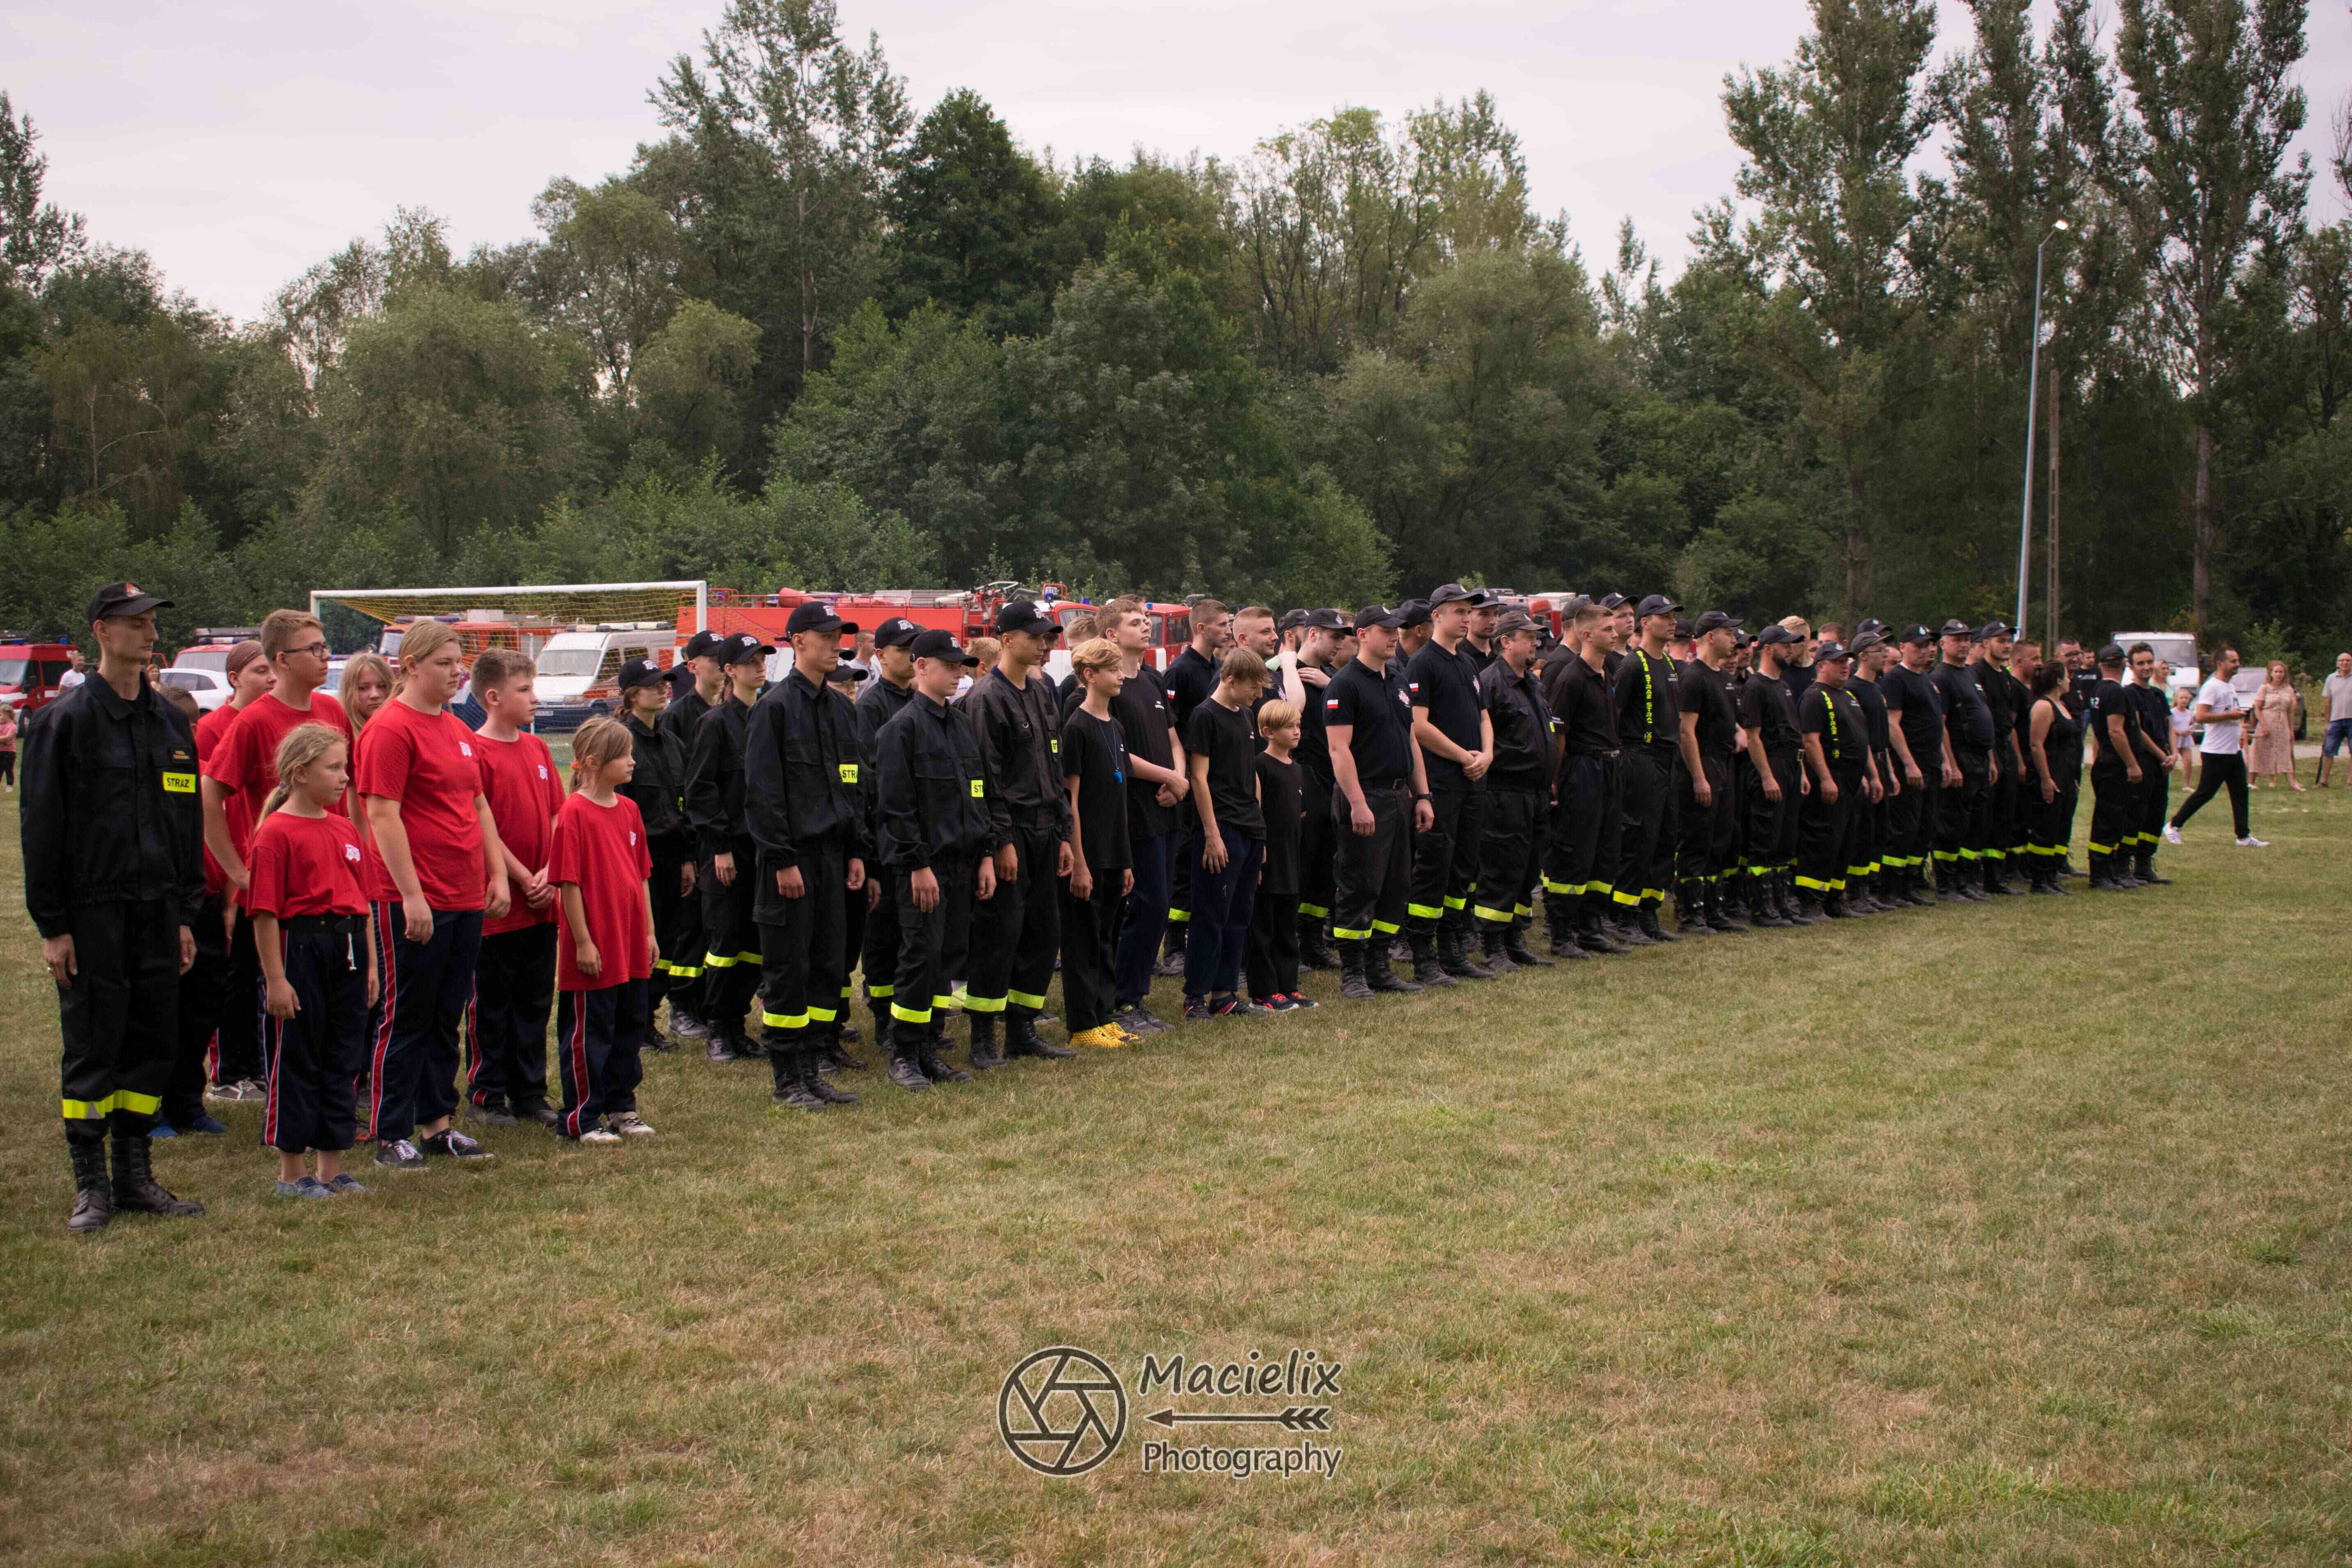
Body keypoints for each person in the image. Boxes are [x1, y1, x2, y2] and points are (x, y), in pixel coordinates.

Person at [24, 582, 207, 1232]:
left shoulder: (170, 723)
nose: (150, 633)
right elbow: (41, 827)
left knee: (151, 1040)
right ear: (102, 631)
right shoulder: (66, 721)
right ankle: (91, 1184)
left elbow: (187, 823)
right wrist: (54, 926)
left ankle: (134, 1175)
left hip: (158, 910)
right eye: (135, 622)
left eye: (153, 621)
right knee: (93, 1043)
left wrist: (184, 914)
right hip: (93, 909)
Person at [355, 619, 511, 1168]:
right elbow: (382, 813)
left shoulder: (456, 728)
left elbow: (477, 804)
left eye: (458, 663)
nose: (456, 673)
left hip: (463, 895)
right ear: (410, 666)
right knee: (407, 1015)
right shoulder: (390, 729)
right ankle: (390, 1131)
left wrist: (496, 873)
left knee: (446, 1013)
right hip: (414, 896)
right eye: (444, 663)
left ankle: (437, 1124)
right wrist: (411, 894)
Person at [745, 601, 869, 1111]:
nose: (836, 645)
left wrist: (856, 849)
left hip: (833, 856)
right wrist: (781, 860)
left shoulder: (841, 709)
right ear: (798, 642)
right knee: (787, 968)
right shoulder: (774, 708)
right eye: (826, 636)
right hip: (791, 859)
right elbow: (763, 792)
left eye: (839, 636)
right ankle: (786, 1078)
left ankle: (813, 1066)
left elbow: (853, 783)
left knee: (826, 965)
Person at [248, 723, 376, 1196]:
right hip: (301, 948)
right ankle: (291, 1172)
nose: (345, 777)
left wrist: (371, 967)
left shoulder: (344, 828)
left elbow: (363, 904)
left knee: (342, 1056)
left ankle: (330, 1167)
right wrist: (276, 979)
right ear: (300, 773)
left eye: (345, 767)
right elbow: (264, 913)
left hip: (348, 951)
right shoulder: (276, 833)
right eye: (334, 768)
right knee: (299, 1057)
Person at [874, 629, 998, 1089]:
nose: (957, 674)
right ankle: (904, 1053)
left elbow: (978, 793)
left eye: (960, 666)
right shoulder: (901, 729)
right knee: (920, 958)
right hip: (924, 867)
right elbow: (895, 807)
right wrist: (917, 865)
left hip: (963, 863)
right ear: (921, 666)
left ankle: (930, 1047)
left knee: (948, 959)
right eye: (948, 665)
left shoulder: (960, 725)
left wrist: (986, 855)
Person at [960, 601, 1077, 1064]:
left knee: (1041, 932)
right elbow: (984, 778)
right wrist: (1001, 841)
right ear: (1007, 640)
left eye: (1047, 636)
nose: (1044, 644)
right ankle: (982, 1035)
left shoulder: (1042, 692)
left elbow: (1054, 767)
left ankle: (1022, 1029)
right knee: (999, 933)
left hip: (1046, 830)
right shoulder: (986, 698)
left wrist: (1064, 833)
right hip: (1012, 831)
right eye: (1034, 636)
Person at [463, 648, 565, 1129]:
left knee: (535, 999)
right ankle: (487, 1093)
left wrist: (549, 871)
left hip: (542, 902)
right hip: (500, 905)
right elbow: (482, 828)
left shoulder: (538, 749)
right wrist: (523, 877)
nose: (534, 698)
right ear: (493, 697)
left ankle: (530, 1092)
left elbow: (556, 815)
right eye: (524, 690)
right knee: (492, 1002)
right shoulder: (474, 752)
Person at [549, 717, 659, 1141]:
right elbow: (569, 883)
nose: (632, 762)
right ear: (594, 762)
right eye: (624, 755)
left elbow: (641, 875)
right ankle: (582, 1117)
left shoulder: (629, 810)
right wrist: (583, 942)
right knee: (590, 1033)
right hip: (596, 944)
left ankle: (621, 1107)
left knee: (628, 1026)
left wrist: (647, 934)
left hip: (629, 942)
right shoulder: (574, 813)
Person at [1326, 604, 1434, 1000]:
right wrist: (1357, 803)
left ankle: (1379, 966)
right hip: (1365, 794)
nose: (1394, 636)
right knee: (1359, 884)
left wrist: (1422, 795)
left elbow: (1410, 740)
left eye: (1396, 630)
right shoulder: (1345, 684)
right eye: (1385, 630)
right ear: (1362, 634)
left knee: (1395, 885)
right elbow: (1339, 750)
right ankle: (1353, 972)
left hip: (1398, 795)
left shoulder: (1399, 679)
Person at [1097, 599, 1188, 1038]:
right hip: (1131, 810)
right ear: (1111, 634)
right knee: (1146, 903)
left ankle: (1136, 995)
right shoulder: (1108, 686)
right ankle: (1123, 998)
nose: (1146, 627)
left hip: (1167, 807)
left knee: (1160, 903)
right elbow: (1116, 752)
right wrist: (1167, 776)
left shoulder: (1152, 679)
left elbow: (1173, 739)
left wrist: (1179, 780)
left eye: (1146, 621)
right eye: (1135, 622)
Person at [684, 634, 772, 1063]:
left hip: (763, 848)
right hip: (727, 849)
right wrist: (719, 846)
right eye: (749, 661)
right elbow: (700, 789)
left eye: (762, 660)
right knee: (725, 941)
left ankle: (738, 1024)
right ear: (730, 671)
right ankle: (718, 1027)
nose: (759, 667)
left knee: (755, 942)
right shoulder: (715, 723)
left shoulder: (770, 717)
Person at [1404, 583, 1495, 983]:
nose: (1466, 617)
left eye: (1468, 611)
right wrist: (1464, 757)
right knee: (1433, 868)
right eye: (1458, 611)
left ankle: (1452, 949)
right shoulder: (1423, 663)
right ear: (1436, 615)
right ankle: (1423, 957)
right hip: (1441, 782)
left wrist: (1486, 755)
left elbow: (1483, 717)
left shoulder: (1468, 663)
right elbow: (1418, 725)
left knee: (1463, 868)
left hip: (1473, 781)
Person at [1182, 647, 1269, 1018]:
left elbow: (1251, 773)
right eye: (1253, 686)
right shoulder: (1204, 716)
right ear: (1230, 679)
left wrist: (1260, 830)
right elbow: (1198, 778)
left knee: (1239, 915)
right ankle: (1194, 998)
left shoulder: (1246, 715)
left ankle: (1225, 995)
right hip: (1221, 828)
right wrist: (1212, 834)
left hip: (1250, 828)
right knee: (1210, 914)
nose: (1258, 694)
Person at [1060, 638, 1138, 1047]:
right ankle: (1082, 1024)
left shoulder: (1116, 726)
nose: (1121, 676)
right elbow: (1070, 800)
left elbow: (1119, 797)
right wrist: (1078, 860)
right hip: (1087, 853)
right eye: (1113, 670)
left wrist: (1125, 860)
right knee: (1083, 941)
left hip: (1113, 852)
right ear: (1090, 675)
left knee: (1108, 937)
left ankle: (1104, 1015)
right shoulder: (1076, 727)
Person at [615, 659, 694, 1053]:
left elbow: (686, 805)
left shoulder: (673, 743)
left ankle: (648, 1016)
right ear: (632, 696)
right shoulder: (620, 743)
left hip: (671, 856)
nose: (664, 690)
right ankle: (632, 1021)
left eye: (665, 684)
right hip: (635, 859)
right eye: (654, 685)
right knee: (637, 940)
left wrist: (687, 858)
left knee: (666, 940)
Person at [1471, 607, 1556, 971]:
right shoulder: (1491, 682)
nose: (1536, 643)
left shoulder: (1532, 682)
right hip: (1504, 792)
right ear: (1505, 641)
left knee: (1527, 869)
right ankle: (1492, 944)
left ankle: (1515, 938)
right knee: (1501, 869)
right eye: (1529, 637)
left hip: (1536, 792)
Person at [854, 617, 924, 1047]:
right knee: (883, 934)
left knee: (912, 934)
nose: (911, 656)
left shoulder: (922, 700)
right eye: (902, 649)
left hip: (917, 832)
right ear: (880, 655)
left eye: (916, 648)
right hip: (885, 837)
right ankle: (884, 1017)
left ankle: (909, 1013)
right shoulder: (872, 705)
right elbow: (870, 778)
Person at [658, 629, 727, 1045]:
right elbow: (679, 783)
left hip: (723, 834)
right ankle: (682, 1004)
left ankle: (708, 1001)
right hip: (695, 837)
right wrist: (687, 843)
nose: (720, 664)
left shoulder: (732, 708)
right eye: (712, 658)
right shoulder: (680, 715)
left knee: (718, 926)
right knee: (691, 924)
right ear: (692, 665)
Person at [1547, 599, 1628, 955]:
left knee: (1605, 850)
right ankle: (1562, 933)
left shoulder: (1607, 672)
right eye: (1607, 629)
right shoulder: (1571, 678)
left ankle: (1591, 927)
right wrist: (1557, 780)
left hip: (1609, 767)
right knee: (1575, 850)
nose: (1615, 633)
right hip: (1582, 770)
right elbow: (1558, 737)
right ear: (1586, 635)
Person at [1609, 596, 1684, 944]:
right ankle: (1624, 916)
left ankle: (1648, 912)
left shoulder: (1668, 663)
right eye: (1664, 617)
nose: (1672, 622)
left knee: (1664, 838)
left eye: (1673, 617)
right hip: (1640, 757)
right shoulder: (1632, 665)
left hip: (1667, 759)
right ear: (1645, 622)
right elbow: (1614, 714)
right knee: (1638, 838)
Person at [1160, 599, 1228, 972]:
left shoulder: (1218, 668)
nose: (1228, 631)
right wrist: (1177, 776)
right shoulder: (1180, 671)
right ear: (1201, 628)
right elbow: (1170, 730)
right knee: (1184, 862)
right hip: (1187, 781)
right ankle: (1174, 945)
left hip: (1212, 779)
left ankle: (1198, 937)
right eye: (1221, 625)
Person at [1791, 641, 1877, 919]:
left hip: (1852, 781)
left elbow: (1862, 740)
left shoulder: (1848, 696)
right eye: (1838, 661)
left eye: (1847, 661)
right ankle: (1810, 900)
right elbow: (1810, 740)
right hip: (1830, 778)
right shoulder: (1815, 697)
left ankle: (1835, 899)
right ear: (1821, 666)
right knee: (1822, 839)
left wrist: (1872, 776)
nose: (1845, 666)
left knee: (1846, 840)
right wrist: (1826, 779)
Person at [1674, 609, 1745, 934]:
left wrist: (1737, 733)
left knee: (1720, 837)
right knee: (1697, 838)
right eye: (1728, 633)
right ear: (1710, 636)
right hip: (1702, 763)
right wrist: (1698, 777)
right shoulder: (1694, 677)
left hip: (1724, 762)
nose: (1733, 639)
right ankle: (1690, 913)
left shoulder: (1723, 677)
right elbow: (1685, 730)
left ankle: (1713, 908)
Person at [1245, 698, 1316, 1010]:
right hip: (1267, 859)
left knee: (1287, 926)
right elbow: (1257, 810)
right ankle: (1264, 991)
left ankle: (1288, 986)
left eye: (1298, 725)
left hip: (1290, 860)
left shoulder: (1298, 769)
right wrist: (1259, 851)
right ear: (1268, 732)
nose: (1297, 731)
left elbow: (1299, 814)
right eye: (1289, 727)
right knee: (1263, 928)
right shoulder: (1259, 765)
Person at [1288, 608, 1346, 972]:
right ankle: (1289, 942)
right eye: (1334, 636)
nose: (1339, 644)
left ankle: (1312, 942)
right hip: (1300, 779)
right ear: (1312, 635)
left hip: (1331, 778)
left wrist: (1331, 688)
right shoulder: (1285, 673)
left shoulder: (1335, 678)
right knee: (1299, 863)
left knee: (1325, 864)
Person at [1737, 624, 1805, 927]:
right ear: (1767, 648)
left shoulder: (1783, 686)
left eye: (1792, 645)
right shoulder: (1756, 686)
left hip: (1791, 766)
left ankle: (1781, 902)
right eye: (1785, 645)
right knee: (1766, 836)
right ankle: (1762, 907)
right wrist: (1766, 777)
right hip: (1770, 765)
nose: (1791, 650)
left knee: (1786, 838)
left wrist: (1801, 772)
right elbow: (1753, 736)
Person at [2166, 645, 2263, 846]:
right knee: (2205, 793)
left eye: (2238, 661)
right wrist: (2230, 715)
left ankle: (2243, 836)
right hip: (2215, 752)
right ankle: (2174, 825)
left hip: (2232, 751)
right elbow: (2201, 716)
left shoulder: (2230, 686)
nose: (2238, 664)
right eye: (2233, 661)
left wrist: (2239, 723)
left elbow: (2229, 713)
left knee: (2240, 792)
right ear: (2221, 663)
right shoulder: (2212, 687)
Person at [1932, 620, 1995, 900]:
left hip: (1980, 757)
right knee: (1952, 822)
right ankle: (1946, 882)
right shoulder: (1941, 677)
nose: (1963, 644)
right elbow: (1941, 724)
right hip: (1961, 756)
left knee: (1975, 822)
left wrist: (1991, 759)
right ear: (1943, 644)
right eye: (1957, 639)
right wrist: (1951, 763)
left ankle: (1967, 878)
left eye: (1967, 639)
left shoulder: (1970, 673)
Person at [2085, 644, 2149, 889]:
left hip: (2105, 761)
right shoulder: (2116, 693)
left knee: (2111, 818)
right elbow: (2116, 732)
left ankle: (2108, 871)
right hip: (2115, 765)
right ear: (2125, 665)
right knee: (2110, 819)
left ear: (2101, 665)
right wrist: (2132, 764)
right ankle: (2100, 874)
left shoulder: (2098, 689)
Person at [1969, 624, 2024, 897]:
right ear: (1985, 643)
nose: (2006, 646)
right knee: (1984, 815)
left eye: (2009, 641)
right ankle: (1975, 875)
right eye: (2000, 641)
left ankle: (1995, 876)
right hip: (1986, 750)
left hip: (2005, 748)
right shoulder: (1977, 673)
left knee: (2005, 813)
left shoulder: (2007, 677)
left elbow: (2009, 720)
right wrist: (1991, 756)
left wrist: (2016, 759)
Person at [2022, 659, 2081, 895]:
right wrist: (2046, 779)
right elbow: (2036, 745)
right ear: (2058, 681)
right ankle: (2040, 879)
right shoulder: (2044, 707)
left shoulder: (2062, 704)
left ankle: (2052, 875)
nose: (2070, 680)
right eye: (2067, 676)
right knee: (2045, 825)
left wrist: (2072, 778)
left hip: (2065, 774)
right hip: (2050, 772)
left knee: (2060, 824)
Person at [2123, 644, 2177, 884]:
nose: (2146, 667)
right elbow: (2137, 731)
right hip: (2145, 759)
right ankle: (2125, 864)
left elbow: (2170, 724)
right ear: (2131, 666)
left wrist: (2174, 754)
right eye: (2141, 663)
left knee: (2157, 813)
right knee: (2137, 813)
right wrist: (2161, 755)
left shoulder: (2157, 694)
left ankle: (2145, 865)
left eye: (2149, 662)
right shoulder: (2129, 694)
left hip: (2163, 762)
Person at [2249, 660, 2302, 789]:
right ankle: (2251, 782)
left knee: (2285, 751)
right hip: (2267, 721)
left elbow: (2290, 712)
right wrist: (2264, 725)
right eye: (2276, 672)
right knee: (2259, 750)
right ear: (2271, 673)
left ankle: (2292, 783)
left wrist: (2291, 730)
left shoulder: (2288, 690)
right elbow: (2257, 709)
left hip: (2282, 723)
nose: (2279, 674)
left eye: (2281, 672)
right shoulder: (2265, 688)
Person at [2318, 652, 2352, 787]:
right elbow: (2329, 702)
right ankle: (2324, 781)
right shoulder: (2331, 679)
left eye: (2348, 660)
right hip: (2336, 720)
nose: (2345, 663)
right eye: (2342, 660)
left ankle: (2351, 782)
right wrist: (2327, 722)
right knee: (2328, 750)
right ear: (2338, 663)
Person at [340, 651, 393, 735]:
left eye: (382, 686)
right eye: (363, 688)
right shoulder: (341, 735)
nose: (375, 695)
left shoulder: (402, 728)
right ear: (349, 692)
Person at [2171, 686, 2198, 785]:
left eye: (2186, 698)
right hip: (2175, 740)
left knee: (2188, 763)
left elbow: (2192, 725)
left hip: (2186, 740)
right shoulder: (2172, 712)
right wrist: (2178, 732)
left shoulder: (2190, 714)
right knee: (2171, 762)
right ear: (2177, 699)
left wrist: (2190, 731)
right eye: (2182, 698)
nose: (2184, 700)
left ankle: (2187, 785)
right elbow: (2169, 728)